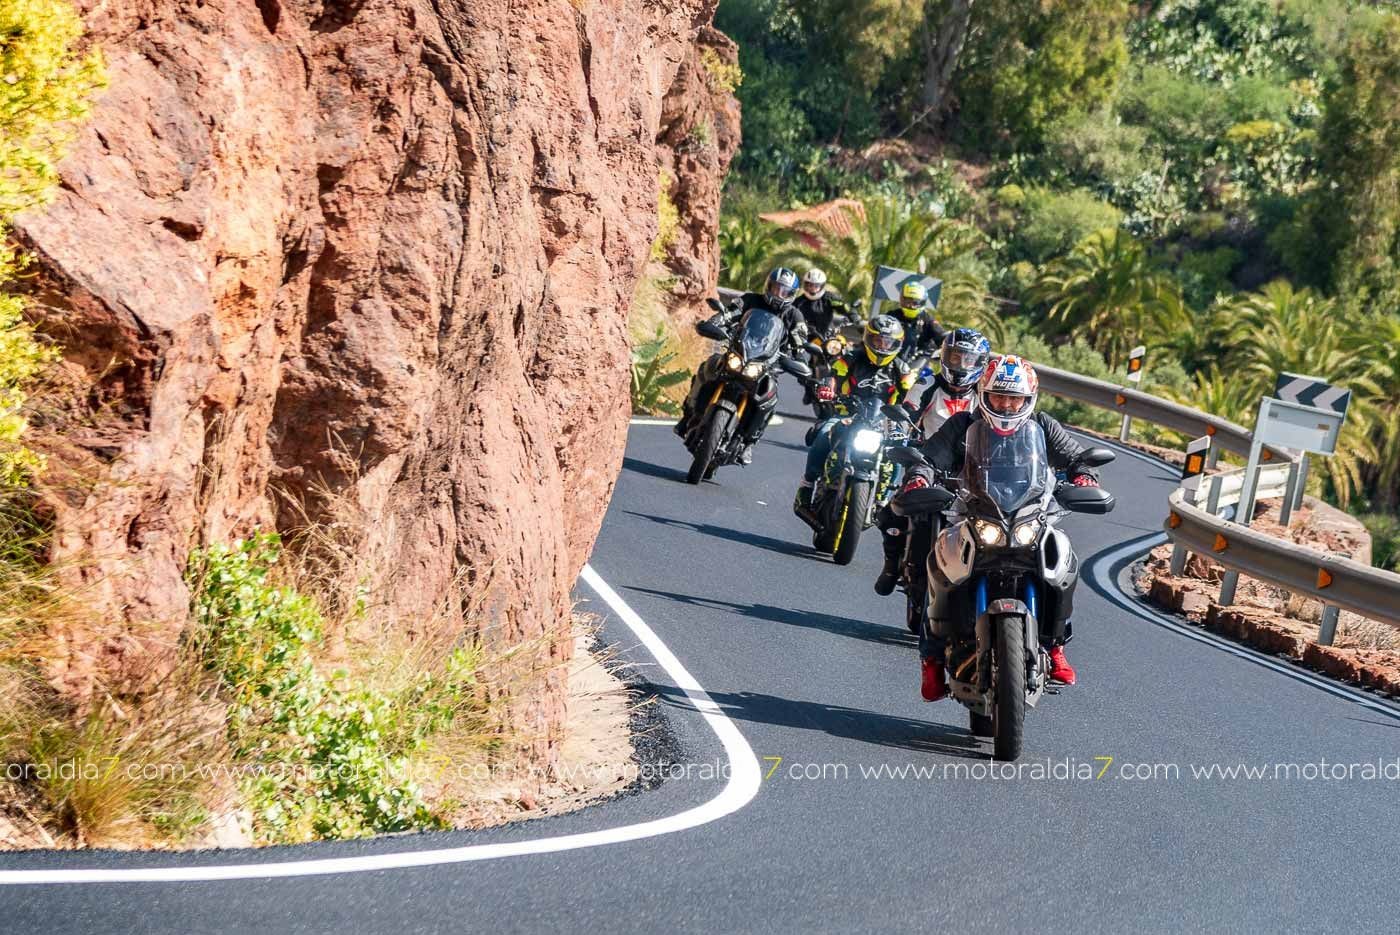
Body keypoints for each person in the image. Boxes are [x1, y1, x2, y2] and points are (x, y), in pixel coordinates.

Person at [905, 355, 1100, 702]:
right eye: (999, 397)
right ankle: (931, 661)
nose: (1007, 405)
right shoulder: (964, 424)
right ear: (984, 394)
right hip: (972, 514)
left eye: (1015, 399)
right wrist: (920, 477)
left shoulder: (1042, 425)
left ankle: (1055, 647)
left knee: (1062, 561)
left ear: (1029, 399)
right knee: (939, 567)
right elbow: (930, 457)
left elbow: (1076, 457)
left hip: (1031, 515)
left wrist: (1084, 476)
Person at [873, 328, 991, 602]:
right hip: (927, 461)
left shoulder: (985, 394)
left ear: (980, 363)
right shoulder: (927, 384)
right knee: (891, 513)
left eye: (968, 359)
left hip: (971, 470)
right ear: (945, 356)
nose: (960, 365)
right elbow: (905, 413)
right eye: (955, 357)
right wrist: (897, 434)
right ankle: (891, 565)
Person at [677, 268, 809, 464]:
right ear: (768, 285)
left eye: (784, 291)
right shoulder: (750, 300)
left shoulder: (794, 315)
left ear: (792, 294)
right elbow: (730, 313)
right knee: (709, 365)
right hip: (738, 353)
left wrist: (800, 360)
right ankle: (689, 411)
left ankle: (748, 442)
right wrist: (716, 322)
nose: (778, 294)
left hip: (766, 366)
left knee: (770, 396)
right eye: (775, 288)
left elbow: (800, 341)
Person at [793, 315, 916, 516]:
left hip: (884, 422)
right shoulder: (851, 358)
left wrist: (913, 409)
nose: (882, 346)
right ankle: (806, 484)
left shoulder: (902, 370)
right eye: (878, 341)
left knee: (898, 449)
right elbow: (833, 376)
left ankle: (884, 499)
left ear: (897, 344)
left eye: (888, 343)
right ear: (868, 338)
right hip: (848, 414)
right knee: (823, 434)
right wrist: (828, 387)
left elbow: (913, 393)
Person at [894, 281, 946, 363]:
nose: (910, 305)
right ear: (901, 299)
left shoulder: (927, 319)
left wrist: (940, 350)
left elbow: (942, 336)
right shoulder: (893, 315)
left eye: (915, 302)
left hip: (918, 361)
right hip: (892, 358)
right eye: (907, 301)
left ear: (922, 302)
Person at [794, 268, 848, 339]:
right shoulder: (798, 302)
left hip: (827, 338)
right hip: (804, 340)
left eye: (816, 286)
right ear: (805, 285)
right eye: (810, 285)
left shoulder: (830, 298)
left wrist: (854, 317)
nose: (813, 288)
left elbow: (844, 306)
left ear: (822, 286)